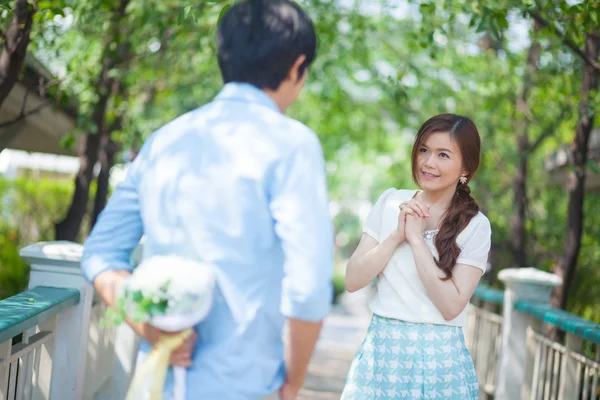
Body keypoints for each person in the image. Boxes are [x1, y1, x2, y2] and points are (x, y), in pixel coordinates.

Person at [80, 1, 334, 399]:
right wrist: (293, 382)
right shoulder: (292, 145)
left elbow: (99, 254)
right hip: (246, 384)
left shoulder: (164, 141)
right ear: (296, 67)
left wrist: (150, 327)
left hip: (159, 380)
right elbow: (308, 289)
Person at [341, 114, 491, 399]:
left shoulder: (475, 226)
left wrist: (417, 241)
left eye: (443, 154)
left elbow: (451, 307)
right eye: (424, 150)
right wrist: (396, 236)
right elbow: (352, 279)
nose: (428, 162)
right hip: (381, 356)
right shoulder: (390, 203)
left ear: (466, 167)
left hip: (440, 364)